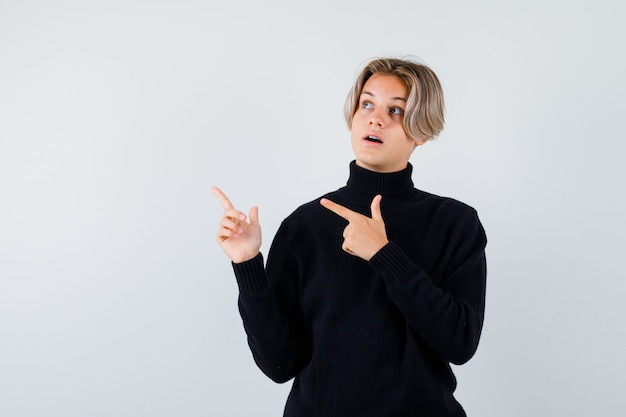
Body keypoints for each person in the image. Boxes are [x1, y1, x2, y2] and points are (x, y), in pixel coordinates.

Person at [212, 57, 487, 416]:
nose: (375, 118)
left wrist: (385, 255)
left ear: (421, 131)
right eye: (367, 104)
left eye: (397, 111)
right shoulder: (304, 225)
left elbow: (461, 342)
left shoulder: (455, 223)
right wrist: (248, 264)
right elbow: (279, 365)